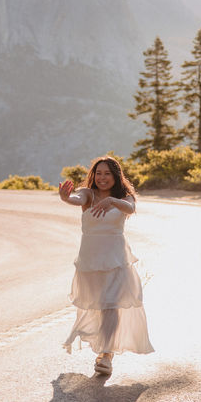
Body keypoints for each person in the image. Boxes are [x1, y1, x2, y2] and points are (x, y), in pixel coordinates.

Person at [59, 156, 153, 376]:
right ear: (94, 175)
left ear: (116, 176)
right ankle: (104, 348)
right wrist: (66, 198)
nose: (102, 178)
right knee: (100, 307)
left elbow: (129, 208)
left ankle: (106, 355)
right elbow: (76, 198)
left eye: (107, 174)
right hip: (90, 262)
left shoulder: (124, 197)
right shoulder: (88, 194)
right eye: (98, 173)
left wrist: (111, 201)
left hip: (116, 260)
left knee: (111, 306)